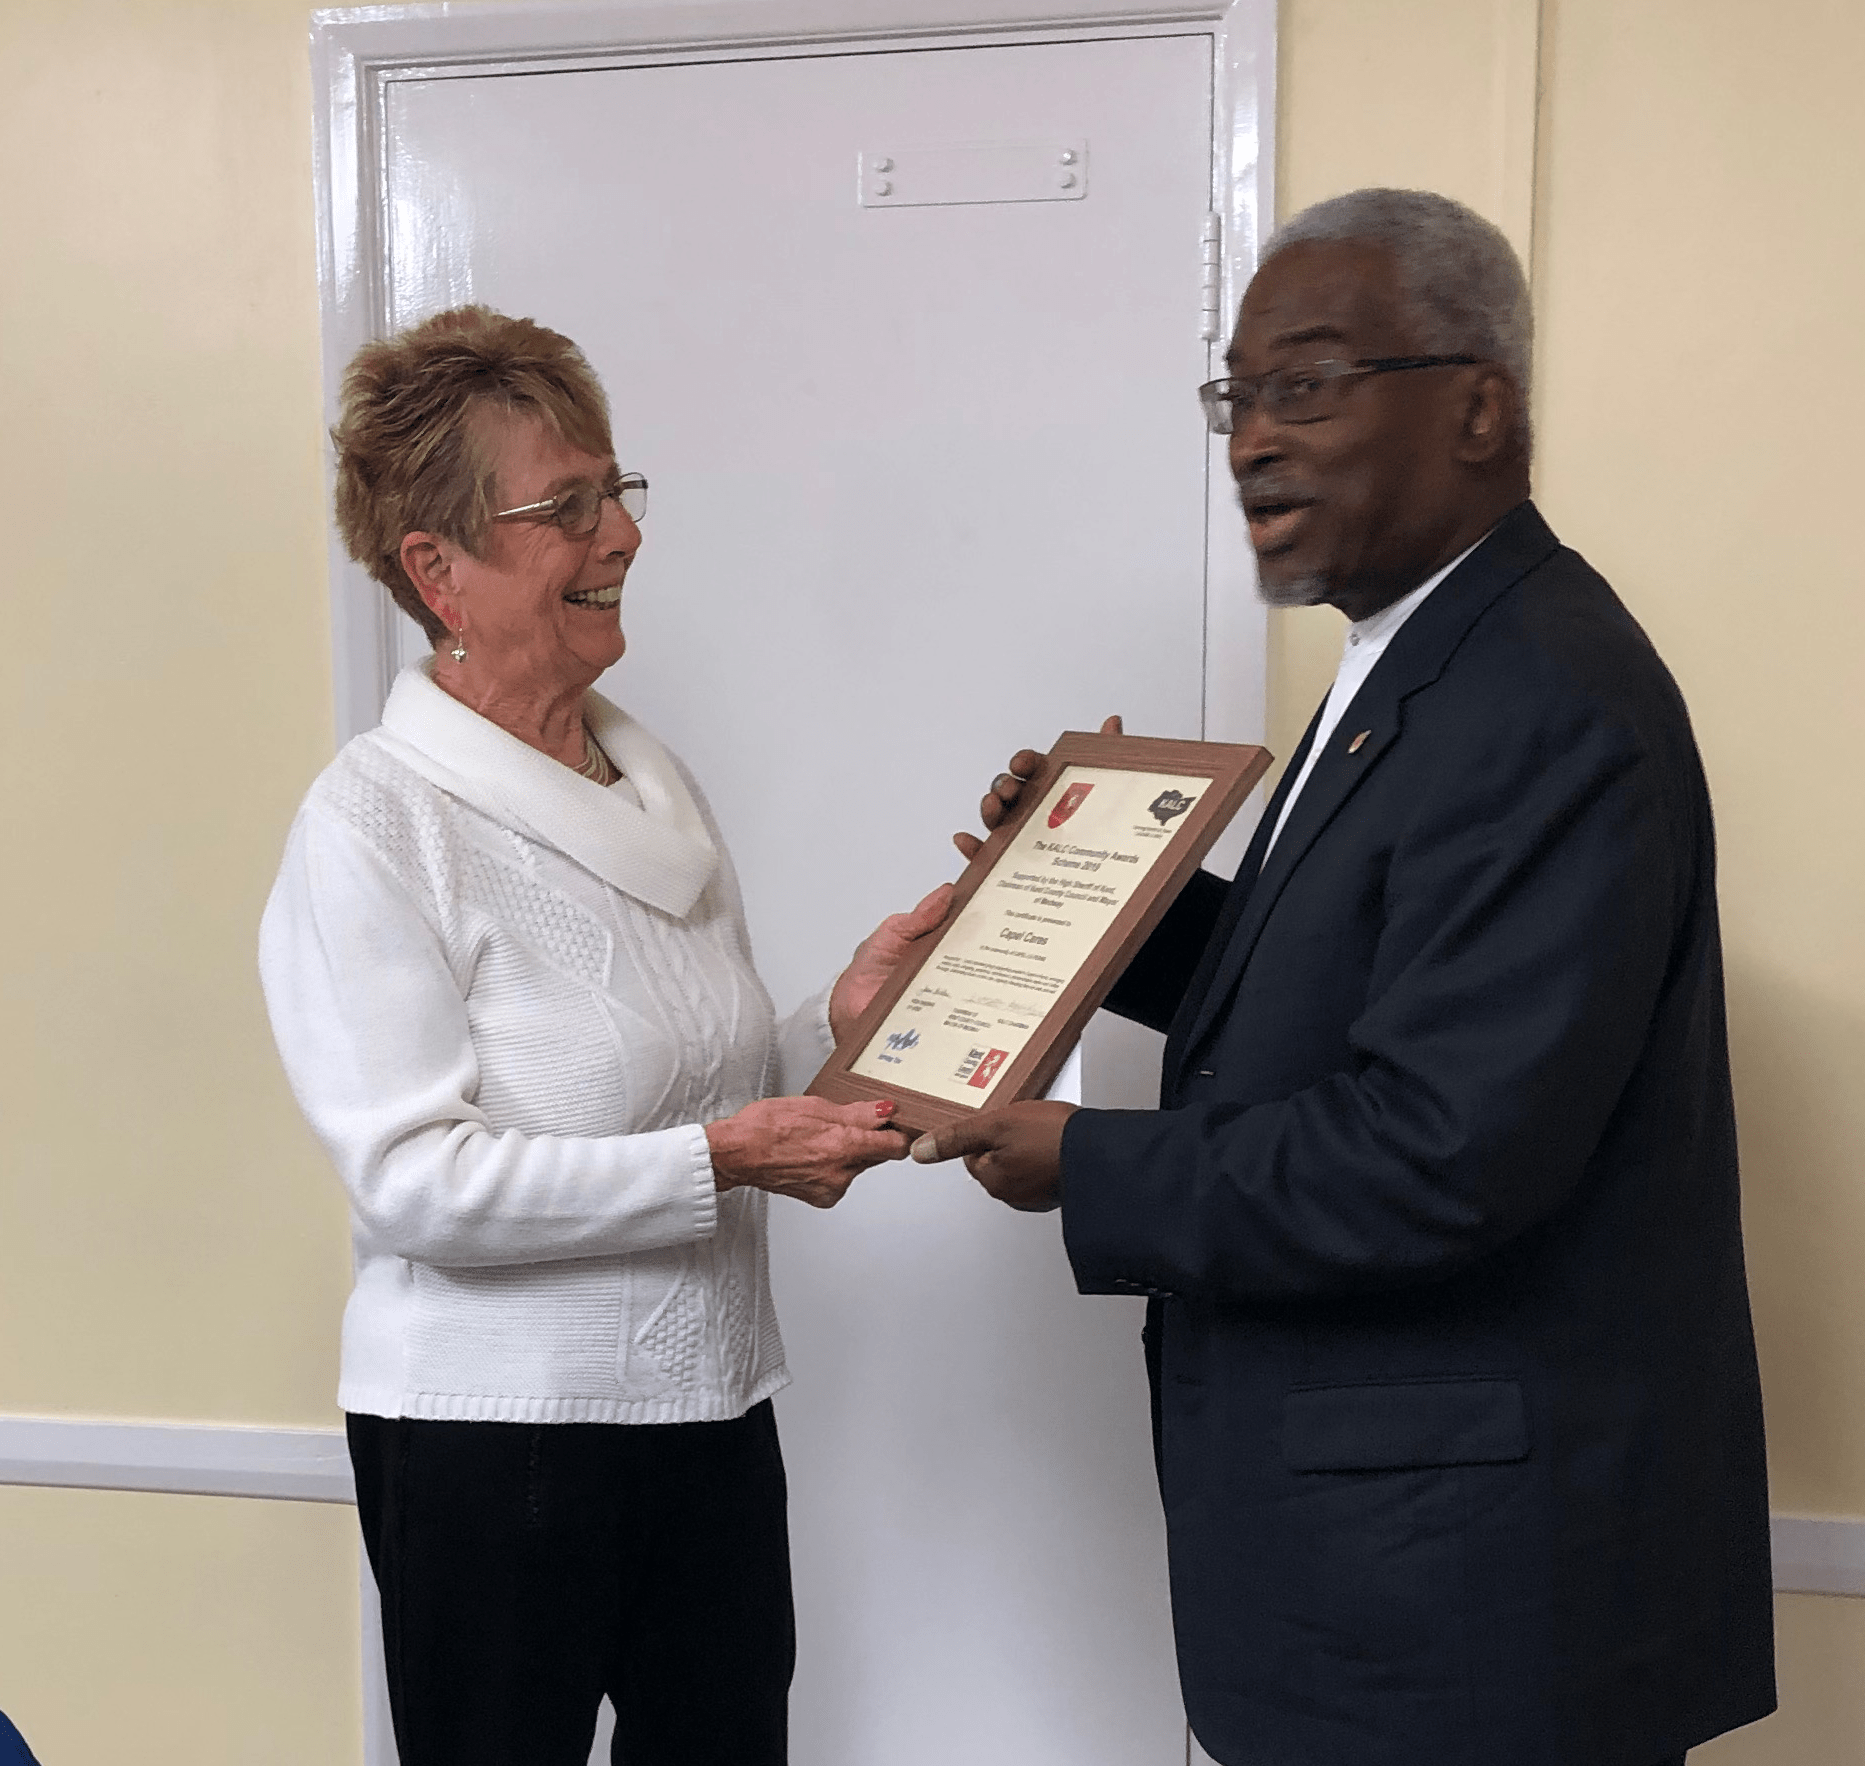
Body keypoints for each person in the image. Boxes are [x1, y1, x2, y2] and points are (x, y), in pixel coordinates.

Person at [920, 190, 1776, 1765]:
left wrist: (1084, 1163)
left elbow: (1441, 1149)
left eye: (1305, 384)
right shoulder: (1423, 659)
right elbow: (1357, 988)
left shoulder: (1544, 695)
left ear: (1477, 406)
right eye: (1235, 394)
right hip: (1389, 1586)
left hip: (1466, 1613)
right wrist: (1086, 899)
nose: (1253, 438)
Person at [260, 307, 943, 1765]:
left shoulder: (647, 779)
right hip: (490, 1446)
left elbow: (683, 1072)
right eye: (565, 506)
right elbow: (417, 1180)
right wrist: (719, 1162)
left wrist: (837, 1013)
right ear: (437, 568)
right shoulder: (373, 822)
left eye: (617, 489)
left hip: (709, 1406)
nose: (621, 533)